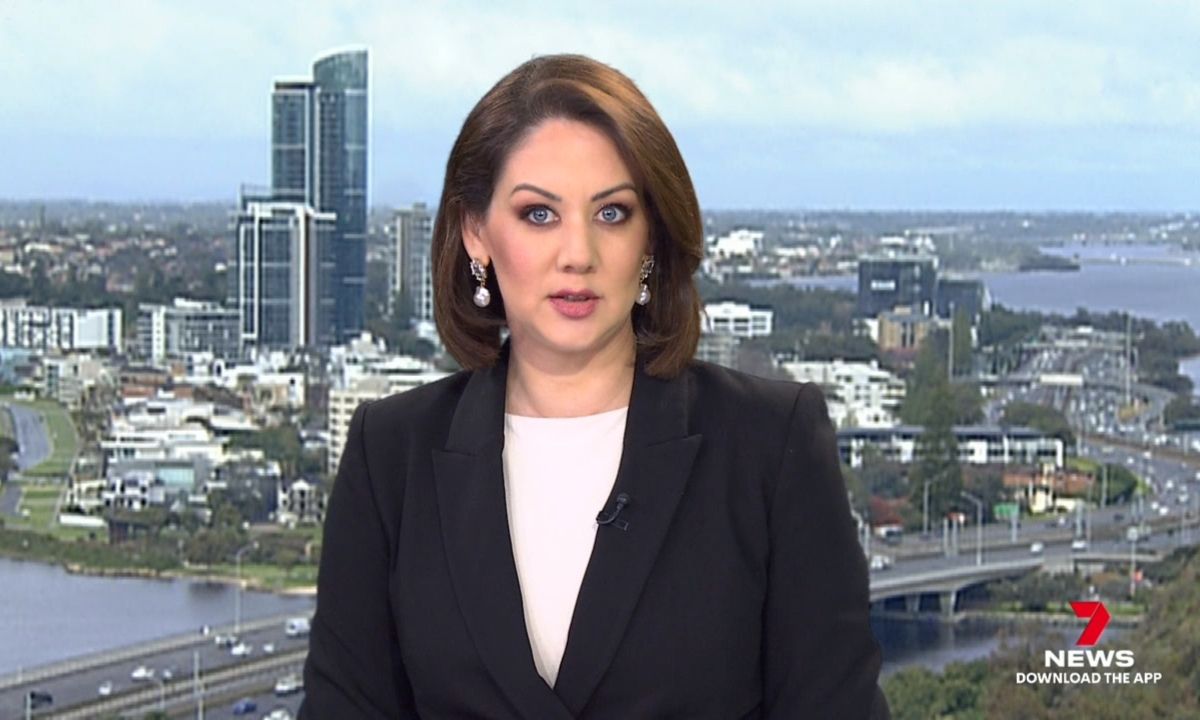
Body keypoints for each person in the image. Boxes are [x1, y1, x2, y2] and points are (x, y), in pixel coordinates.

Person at [300, 53, 889, 719]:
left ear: (651, 238)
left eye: (611, 213)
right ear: (476, 233)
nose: (578, 253)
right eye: (538, 215)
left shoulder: (770, 445)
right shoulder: (389, 453)